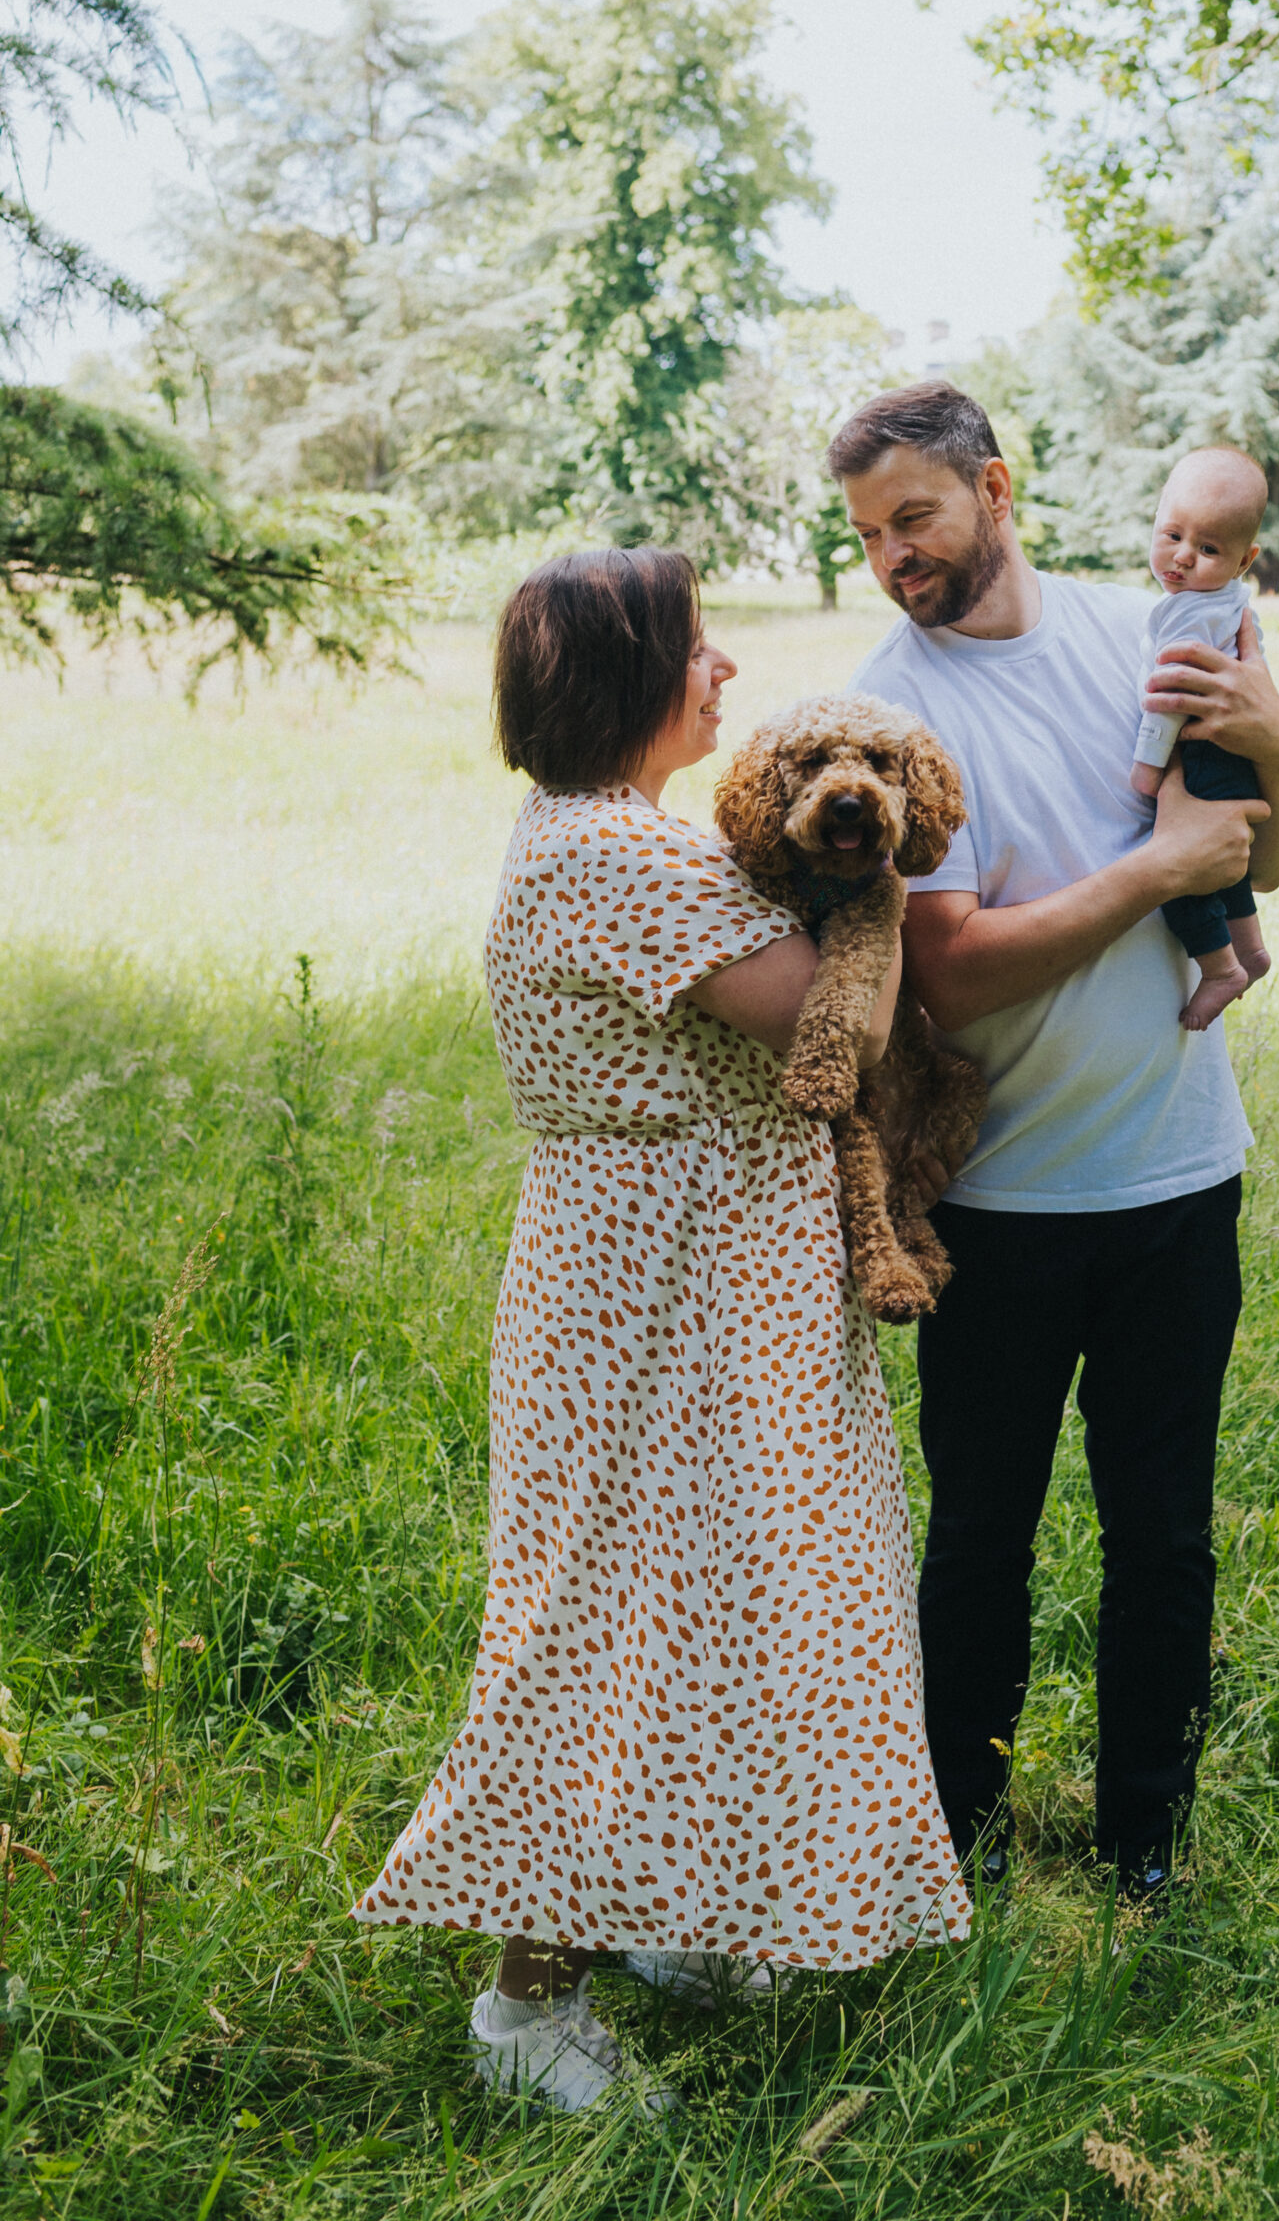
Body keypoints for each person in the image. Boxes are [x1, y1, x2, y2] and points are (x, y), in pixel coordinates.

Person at [354, 547, 969, 2114]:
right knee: (615, 1627)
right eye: (697, 651)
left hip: (698, 1291)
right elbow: (841, 1015)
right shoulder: (622, 858)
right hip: (657, 1306)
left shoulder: (612, 836)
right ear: (626, 678)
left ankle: (662, 1914)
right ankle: (525, 2006)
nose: (724, 674)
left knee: (717, 1622)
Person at [836, 383, 1279, 1906]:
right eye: (866, 535)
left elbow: (1260, 853)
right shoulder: (888, 717)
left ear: (995, 485)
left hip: (1179, 1175)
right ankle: (949, 1832)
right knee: (979, 1537)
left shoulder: (1150, 624)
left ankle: (1143, 1842)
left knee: (1162, 1534)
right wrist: (1159, 865)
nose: (893, 556)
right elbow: (951, 970)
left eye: (914, 517)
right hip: (998, 1202)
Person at [1129, 448, 1274, 1031]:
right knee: (1229, 863)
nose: (1183, 557)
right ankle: (1253, 948)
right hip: (1238, 752)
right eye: (1172, 535)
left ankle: (1220, 969)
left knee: (1185, 872)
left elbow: (1170, 696)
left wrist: (1147, 766)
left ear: (1245, 559)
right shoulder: (1231, 602)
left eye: (1209, 549)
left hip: (1203, 751)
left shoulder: (1187, 615)